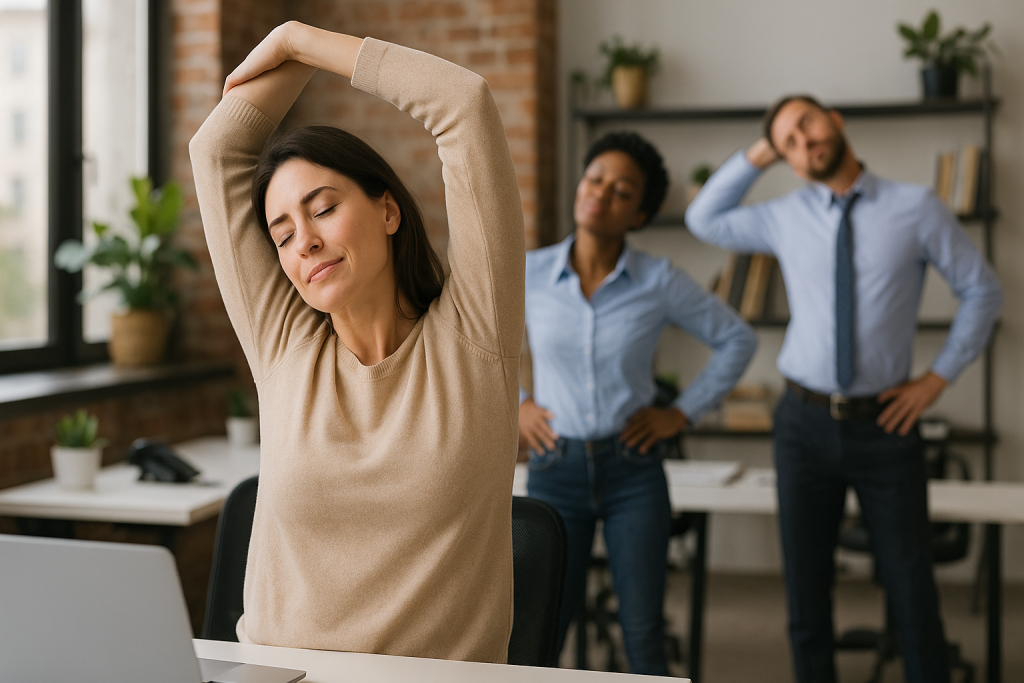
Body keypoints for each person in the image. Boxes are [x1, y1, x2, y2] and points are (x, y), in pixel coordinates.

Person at [189, 22, 524, 663]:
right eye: (281, 233)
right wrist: (287, 52)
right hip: (275, 675)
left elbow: (464, 104)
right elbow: (215, 153)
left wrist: (299, 42)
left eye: (322, 208)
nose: (304, 242)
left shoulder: (476, 336)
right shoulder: (283, 345)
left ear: (388, 210)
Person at [685, 95, 1002, 683]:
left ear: (836, 119)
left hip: (885, 425)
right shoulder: (783, 214)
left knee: (911, 586)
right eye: (788, 143)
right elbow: (703, 219)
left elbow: (982, 291)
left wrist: (937, 379)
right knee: (806, 591)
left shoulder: (916, 207)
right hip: (801, 423)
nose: (803, 142)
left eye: (806, 123)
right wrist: (763, 153)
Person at [519, 131, 757, 675]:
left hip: (633, 471)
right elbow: (474, 341)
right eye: (595, 178)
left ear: (640, 215)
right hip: (555, 469)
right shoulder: (530, 274)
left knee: (644, 631)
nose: (601, 193)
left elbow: (737, 339)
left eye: (621, 191)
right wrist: (518, 405)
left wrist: (681, 412)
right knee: (543, 630)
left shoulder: (660, 280)